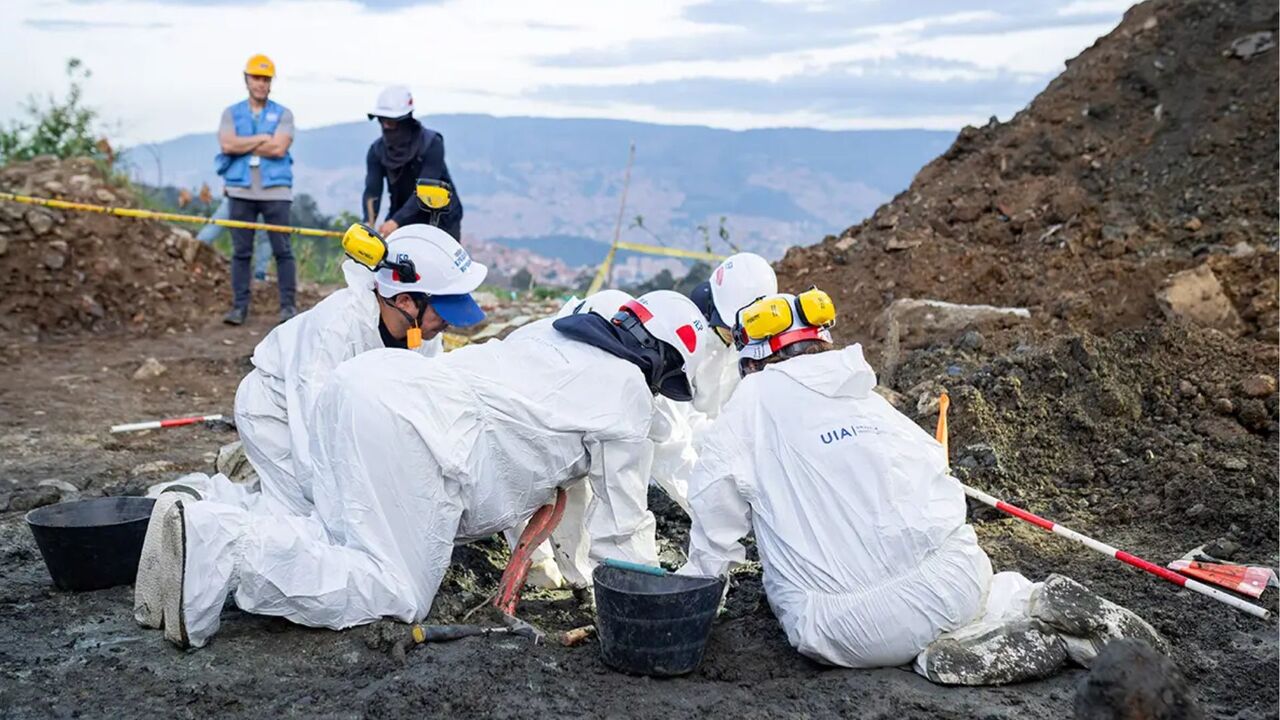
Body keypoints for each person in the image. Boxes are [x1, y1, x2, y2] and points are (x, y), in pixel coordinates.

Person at [135, 290, 715, 648]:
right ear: (661, 360)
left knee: (338, 530)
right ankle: (224, 546)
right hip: (414, 433)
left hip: (366, 383)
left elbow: (547, 471)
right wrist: (655, 604)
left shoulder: (550, 335)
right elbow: (624, 528)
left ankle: (202, 509)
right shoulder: (626, 399)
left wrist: (565, 568)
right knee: (394, 591)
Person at [679, 290, 1166, 685]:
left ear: (753, 361)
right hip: (960, 574)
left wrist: (692, 598)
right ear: (821, 345)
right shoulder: (868, 401)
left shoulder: (751, 404)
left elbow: (714, 523)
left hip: (851, 624)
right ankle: (1023, 605)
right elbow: (936, 471)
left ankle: (939, 658)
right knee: (971, 587)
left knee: (819, 621)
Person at [232, 224, 487, 517]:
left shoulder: (423, 329)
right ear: (405, 300)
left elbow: (422, 396)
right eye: (444, 312)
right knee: (309, 516)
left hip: (345, 409)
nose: (449, 323)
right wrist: (331, 499)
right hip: (279, 412)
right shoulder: (335, 330)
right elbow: (310, 436)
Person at [215, 53, 297, 326]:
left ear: (271, 82)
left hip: (276, 191)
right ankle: (239, 307)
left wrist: (243, 143)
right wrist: (263, 137)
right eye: (256, 78)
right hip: (240, 189)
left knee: (282, 250)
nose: (261, 84)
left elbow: (279, 148)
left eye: (265, 79)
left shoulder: (284, 113)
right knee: (241, 252)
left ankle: (288, 307)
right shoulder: (231, 112)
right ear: (246, 79)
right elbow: (226, 145)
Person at [362, 85, 463, 241]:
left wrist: (396, 221)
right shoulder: (376, 152)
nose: (386, 127)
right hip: (401, 216)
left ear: (406, 121)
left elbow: (426, 190)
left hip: (441, 220)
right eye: (382, 121)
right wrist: (368, 224)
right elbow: (372, 192)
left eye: (391, 122)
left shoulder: (431, 144)